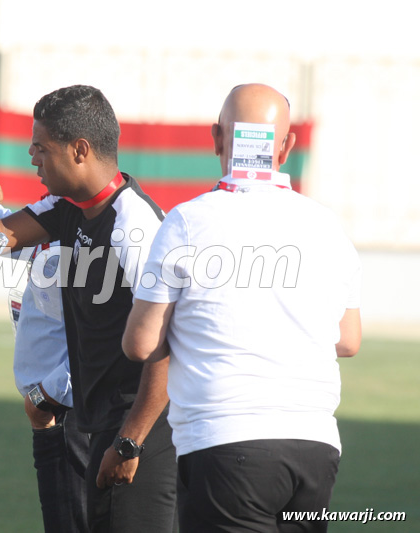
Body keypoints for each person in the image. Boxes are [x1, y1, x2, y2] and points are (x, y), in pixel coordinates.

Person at [122, 83, 362, 532]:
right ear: (287, 146)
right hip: (314, 444)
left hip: (225, 440)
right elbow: (348, 340)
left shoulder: (188, 220)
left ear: (217, 138)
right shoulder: (328, 226)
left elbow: (140, 344)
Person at [0, 85, 177, 532]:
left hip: (140, 429)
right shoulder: (69, 207)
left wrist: (130, 442)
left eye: (41, 147)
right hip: (100, 423)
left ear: (79, 150)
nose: (31, 157)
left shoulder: (132, 229)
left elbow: (169, 345)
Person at [13, 241, 89, 532]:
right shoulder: (56, 217)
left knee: (74, 522)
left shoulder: (97, 229)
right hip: (54, 411)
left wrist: (45, 396)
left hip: (71, 412)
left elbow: (106, 334)